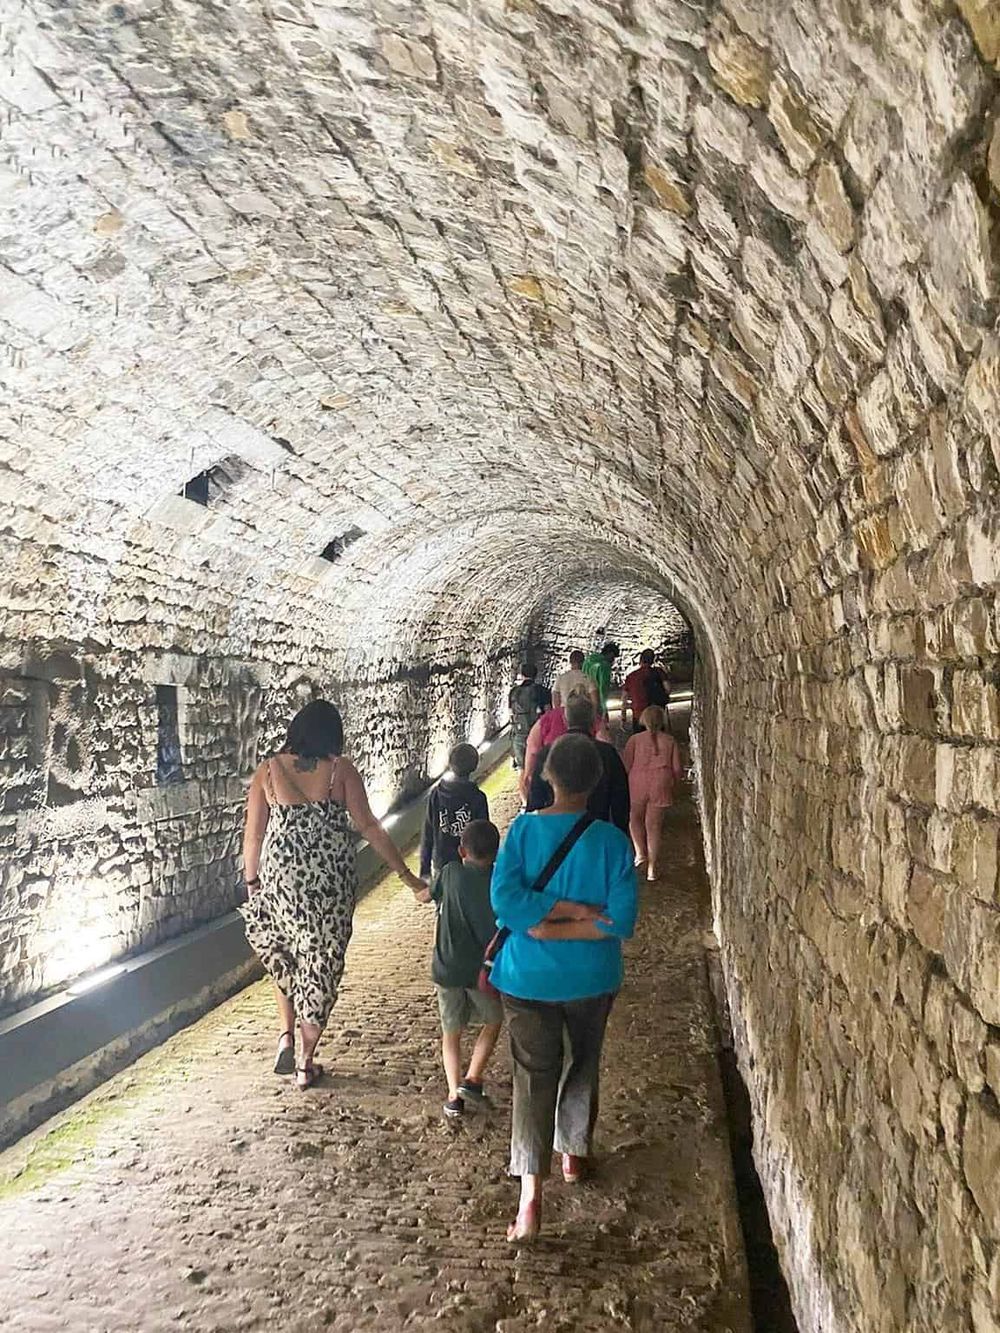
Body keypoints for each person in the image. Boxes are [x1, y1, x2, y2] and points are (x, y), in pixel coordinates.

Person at [490, 733, 637, 1243]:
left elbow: (507, 904)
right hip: (591, 978)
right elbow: (619, 921)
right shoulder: (615, 843)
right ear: (596, 783)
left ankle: (530, 1199)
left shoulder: (522, 833)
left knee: (533, 1077)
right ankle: (573, 1153)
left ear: (547, 775)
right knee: (583, 1062)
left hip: (527, 977)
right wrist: (577, 912)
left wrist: (545, 923)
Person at [241, 700, 427, 1090]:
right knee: (321, 963)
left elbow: (254, 835)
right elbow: (370, 827)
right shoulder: (340, 771)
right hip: (329, 883)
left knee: (288, 955)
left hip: (281, 880)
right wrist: (408, 876)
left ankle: (286, 1036)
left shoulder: (268, 770)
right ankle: (305, 1062)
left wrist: (253, 882)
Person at [414, 819, 503, 1119]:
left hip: (446, 969)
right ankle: (473, 1077)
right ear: (496, 852)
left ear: (462, 850)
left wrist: (414, 885)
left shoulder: (450, 872)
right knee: (493, 1020)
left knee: (451, 1033)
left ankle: (454, 1096)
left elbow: (427, 895)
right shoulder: (497, 882)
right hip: (480, 973)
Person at [526, 696, 630, 835]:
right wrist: (620, 831)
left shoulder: (548, 753)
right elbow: (620, 797)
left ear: (565, 720)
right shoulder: (607, 753)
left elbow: (536, 797)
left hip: (553, 833)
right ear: (594, 720)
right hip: (596, 830)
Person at [622, 706, 683, 881]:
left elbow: (626, 765)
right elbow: (677, 768)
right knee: (654, 827)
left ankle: (640, 853)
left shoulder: (634, 740)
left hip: (637, 781)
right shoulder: (670, 741)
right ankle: (652, 868)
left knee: (635, 818)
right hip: (660, 781)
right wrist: (673, 783)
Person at [420, 743, 489, 879]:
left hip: (441, 864)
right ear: (475, 766)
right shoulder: (477, 798)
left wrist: (425, 870)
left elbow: (428, 832)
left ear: (450, 764)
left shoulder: (436, 794)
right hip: (468, 864)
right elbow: (483, 836)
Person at [509, 664, 548, 771]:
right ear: (536, 675)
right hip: (537, 734)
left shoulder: (513, 692)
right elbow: (548, 713)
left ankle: (523, 786)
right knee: (537, 768)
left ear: (522, 674)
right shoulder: (542, 691)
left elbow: (511, 714)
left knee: (523, 769)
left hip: (519, 734)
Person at [621, 649, 670, 733]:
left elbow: (624, 698)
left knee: (640, 741)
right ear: (653, 660)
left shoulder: (631, 676)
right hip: (656, 714)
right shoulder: (659, 672)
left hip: (639, 715)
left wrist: (623, 718)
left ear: (640, 660)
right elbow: (668, 688)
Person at [582, 642, 619, 716]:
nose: (613, 660)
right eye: (614, 657)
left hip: (584, 699)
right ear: (611, 654)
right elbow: (603, 688)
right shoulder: (605, 665)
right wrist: (604, 709)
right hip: (596, 702)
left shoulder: (588, 660)